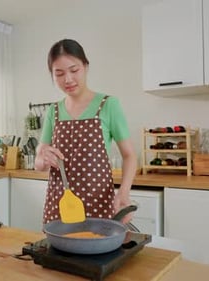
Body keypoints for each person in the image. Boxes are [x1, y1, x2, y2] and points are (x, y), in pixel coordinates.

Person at [35, 38, 137, 225]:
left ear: (86, 67)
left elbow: (129, 155)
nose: (68, 79)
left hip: (99, 202)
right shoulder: (53, 111)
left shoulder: (108, 105)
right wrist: (44, 158)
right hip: (59, 204)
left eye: (74, 70)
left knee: (97, 251)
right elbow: (39, 163)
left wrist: (123, 192)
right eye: (59, 73)